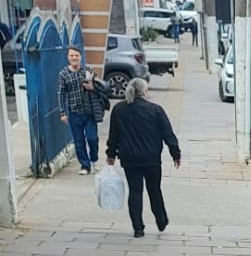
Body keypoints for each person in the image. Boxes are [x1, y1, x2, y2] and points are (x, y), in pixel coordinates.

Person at [105, 78, 181, 238]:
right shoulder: (155, 110)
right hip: (151, 158)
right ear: (144, 91)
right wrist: (175, 153)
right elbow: (168, 133)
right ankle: (161, 220)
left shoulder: (119, 110)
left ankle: (138, 228)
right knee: (154, 189)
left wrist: (110, 154)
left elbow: (114, 135)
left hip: (129, 159)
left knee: (135, 191)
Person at [57, 47, 107, 174]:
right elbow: (61, 94)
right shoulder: (63, 74)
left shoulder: (87, 71)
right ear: (68, 57)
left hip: (89, 111)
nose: (74, 58)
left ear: (80, 57)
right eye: (71, 55)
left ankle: (94, 160)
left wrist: (92, 87)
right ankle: (85, 165)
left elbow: (100, 88)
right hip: (74, 112)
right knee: (79, 141)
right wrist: (62, 113)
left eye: (76, 55)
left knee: (92, 138)